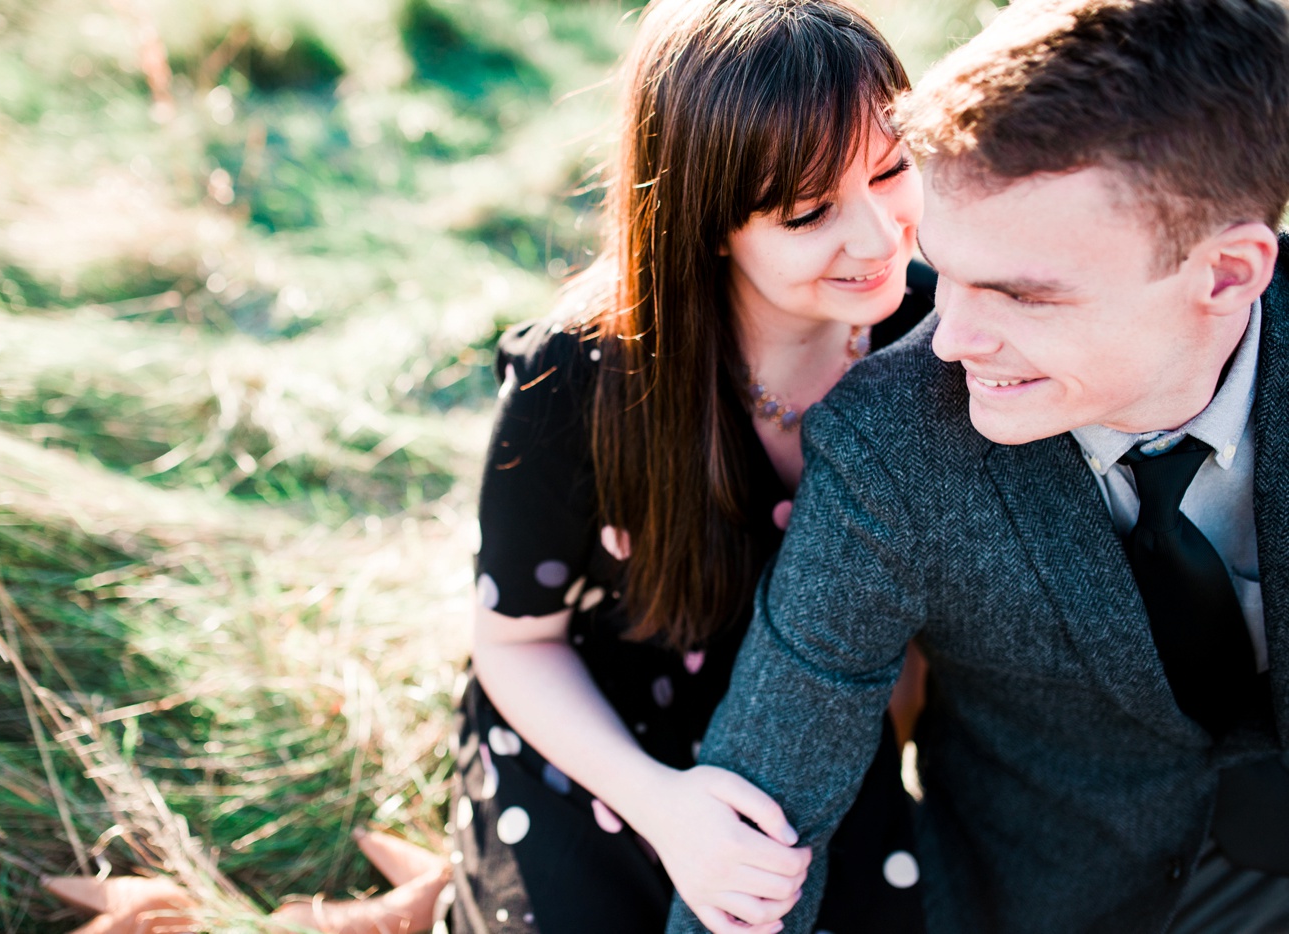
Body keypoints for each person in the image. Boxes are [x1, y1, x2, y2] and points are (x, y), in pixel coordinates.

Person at [662, 0, 1289, 932]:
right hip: (1051, 899)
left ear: (1230, 273)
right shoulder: (891, 440)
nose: (949, 339)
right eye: (944, 270)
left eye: (1022, 295)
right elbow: (771, 806)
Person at [449, 1, 935, 932]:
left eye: (893, 168)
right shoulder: (580, 377)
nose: (879, 239)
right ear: (706, 222)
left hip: (817, 726)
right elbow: (516, 643)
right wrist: (664, 807)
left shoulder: (937, 332)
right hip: (599, 734)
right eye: (808, 212)